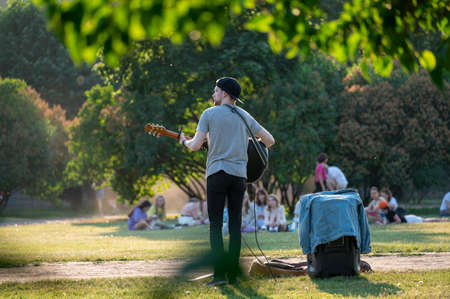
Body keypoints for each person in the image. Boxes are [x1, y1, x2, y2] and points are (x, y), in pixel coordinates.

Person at [179, 77, 275, 286]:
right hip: (239, 176)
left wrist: (184, 141)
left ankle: (219, 276)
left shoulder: (209, 114)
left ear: (224, 93)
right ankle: (233, 275)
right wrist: (243, 144)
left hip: (217, 173)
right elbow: (269, 140)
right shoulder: (244, 116)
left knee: (215, 225)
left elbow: (195, 145)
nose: (213, 94)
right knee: (234, 224)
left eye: (215, 91)